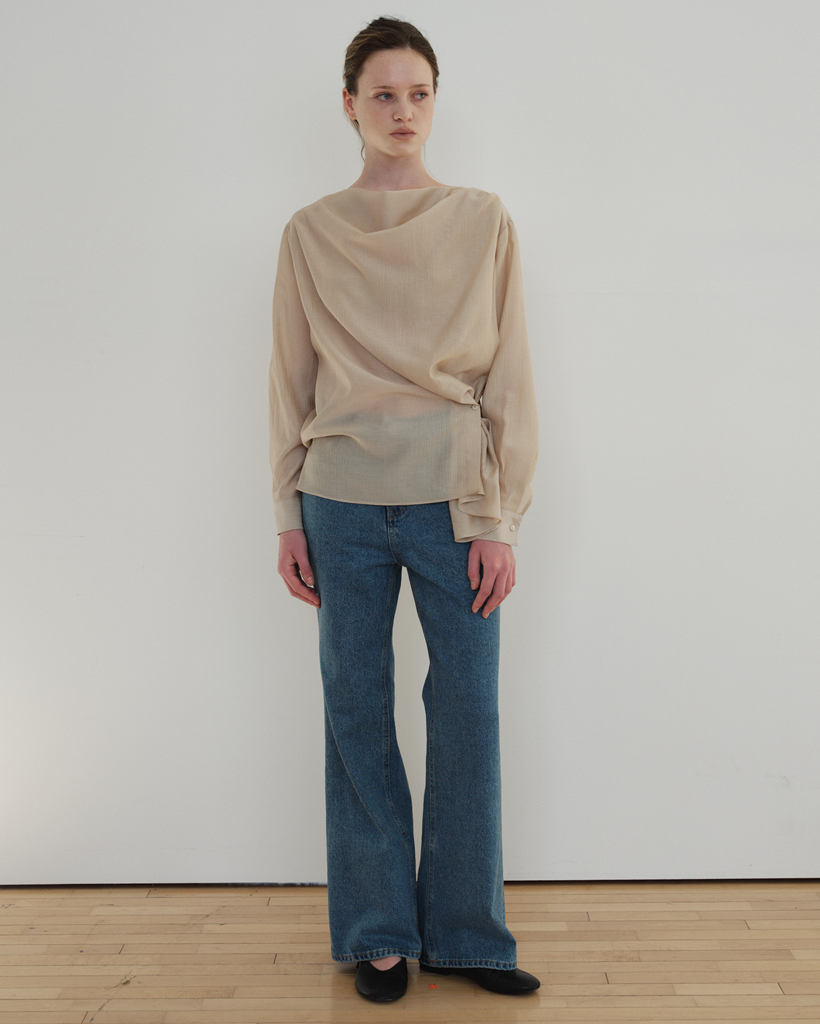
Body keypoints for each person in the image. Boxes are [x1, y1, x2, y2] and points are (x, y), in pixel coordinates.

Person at [269, 16, 540, 1004]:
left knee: (467, 709)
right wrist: (287, 513)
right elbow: (289, 379)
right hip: (338, 500)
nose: (403, 111)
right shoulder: (310, 231)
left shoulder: (481, 219)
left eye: (418, 93)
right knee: (355, 710)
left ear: (435, 102)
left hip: (453, 499)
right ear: (349, 105)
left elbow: (511, 375)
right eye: (383, 94)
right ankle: (379, 933)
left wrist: (500, 517)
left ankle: (466, 935)